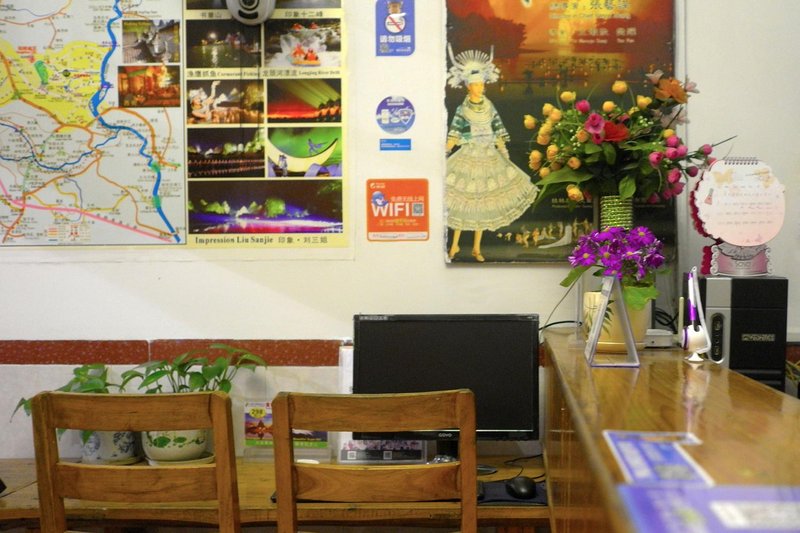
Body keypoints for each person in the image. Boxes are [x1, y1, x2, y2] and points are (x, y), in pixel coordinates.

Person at [445, 46, 538, 262]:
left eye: (482, 84)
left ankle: (477, 248)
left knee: (483, 203)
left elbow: (497, 130)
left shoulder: (489, 106)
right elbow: (455, 132)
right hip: (469, 156)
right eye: (476, 84)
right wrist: (447, 149)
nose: (481, 87)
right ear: (468, 86)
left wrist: (504, 152)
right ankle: (455, 244)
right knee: (464, 200)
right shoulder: (462, 109)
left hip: (488, 156)